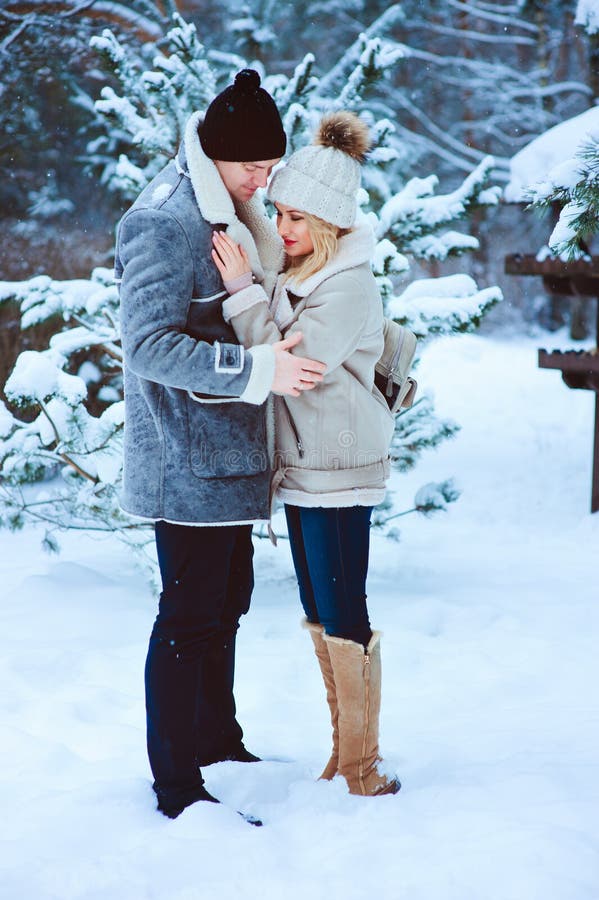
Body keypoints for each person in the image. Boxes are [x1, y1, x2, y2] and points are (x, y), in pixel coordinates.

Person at [115, 69, 326, 820]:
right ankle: (177, 786)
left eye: (270, 168)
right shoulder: (165, 221)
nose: (262, 182)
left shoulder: (231, 208)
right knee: (188, 616)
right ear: (213, 153)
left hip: (231, 457)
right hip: (187, 460)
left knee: (224, 603)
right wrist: (256, 367)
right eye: (252, 168)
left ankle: (217, 741)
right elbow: (147, 346)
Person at [212, 111, 401, 797]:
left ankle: (362, 764)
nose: (284, 229)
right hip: (308, 465)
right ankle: (343, 752)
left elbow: (296, 363)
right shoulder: (301, 274)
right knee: (321, 608)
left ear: (328, 224)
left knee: (342, 607)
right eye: (279, 213)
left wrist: (241, 294)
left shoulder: (346, 282)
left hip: (339, 466)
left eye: (298, 219)